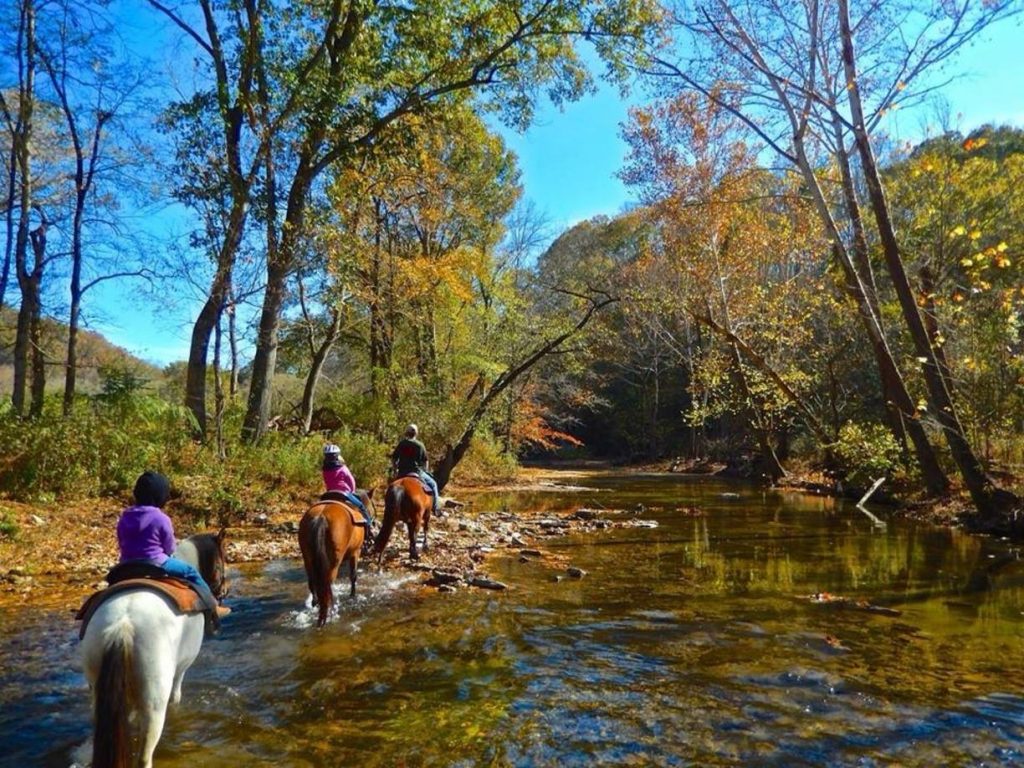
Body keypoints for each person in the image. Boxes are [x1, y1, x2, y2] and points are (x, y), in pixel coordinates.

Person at [117, 471, 230, 617]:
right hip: (156, 563)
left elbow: (121, 541)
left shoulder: (125, 516)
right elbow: (170, 549)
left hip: (125, 565)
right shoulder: (161, 518)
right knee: (192, 573)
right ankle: (213, 607)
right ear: (160, 496)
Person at [321, 444, 374, 542]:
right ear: (337, 456)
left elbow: (327, 482)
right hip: (344, 493)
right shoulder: (343, 468)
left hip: (329, 493)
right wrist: (352, 492)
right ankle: (369, 525)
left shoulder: (324, 469)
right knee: (361, 506)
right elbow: (351, 481)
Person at [390, 424, 439, 514]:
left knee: (391, 488)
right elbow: (425, 461)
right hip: (417, 472)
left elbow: (394, 458)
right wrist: (426, 471)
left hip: (402, 472)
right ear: (416, 433)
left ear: (406, 433)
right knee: (433, 484)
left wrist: (395, 470)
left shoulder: (402, 444)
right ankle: (436, 509)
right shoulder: (420, 445)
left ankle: (388, 507)